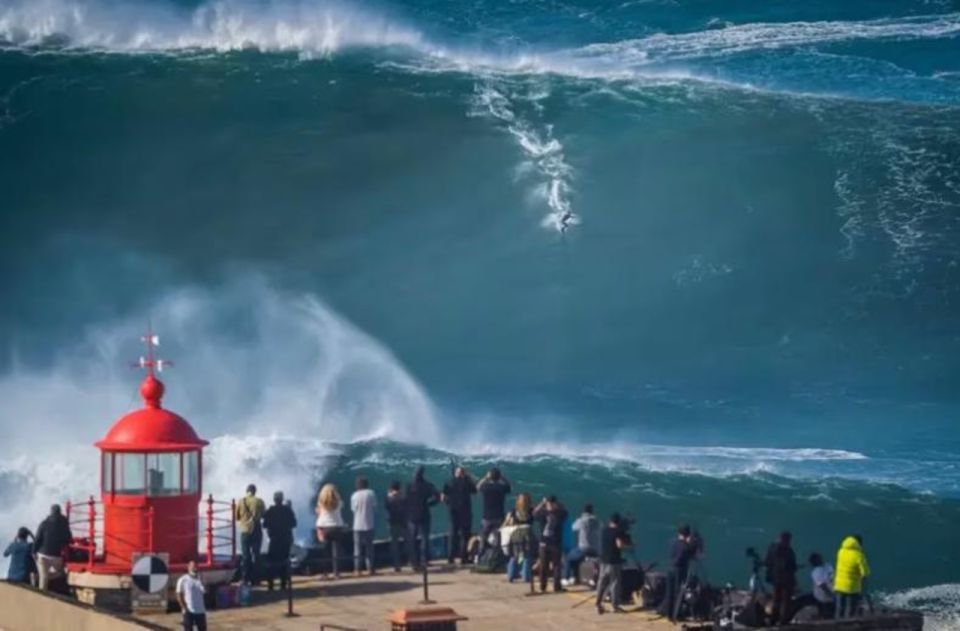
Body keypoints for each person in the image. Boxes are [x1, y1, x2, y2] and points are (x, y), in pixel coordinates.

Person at [659, 524, 697, 620]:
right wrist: (691, 543)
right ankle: (677, 615)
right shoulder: (686, 547)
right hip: (679, 570)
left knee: (669, 592)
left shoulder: (673, 543)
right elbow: (692, 554)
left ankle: (669, 614)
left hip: (670, 569)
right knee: (678, 593)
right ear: (687, 535)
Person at [405, 466, 440, 570]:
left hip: (412, 516)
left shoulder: (409, 486)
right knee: (424, 539)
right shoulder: (427, 485)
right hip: (424, 515)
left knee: (412, 540)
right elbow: (437, 496)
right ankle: (424, 561)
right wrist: (430, 504)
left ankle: (413, 562)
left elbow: (405, 500)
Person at [262, 491, 297, 591]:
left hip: (274, 540)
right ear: (282, 499)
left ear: (274, 500)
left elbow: (264, 525)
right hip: (285, 539)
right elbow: (294, 524)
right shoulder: (287, 510)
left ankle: (271, 585)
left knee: (271, 562)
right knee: (284, 561)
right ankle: (283, 584)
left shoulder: (270, 511)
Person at [442, 466, 477, 565]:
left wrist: (449, 503)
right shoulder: (466, 482)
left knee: (452, 534)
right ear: (463, 473)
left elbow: (443, 497)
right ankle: (463, 558)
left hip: (453, 511)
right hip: (465, 512)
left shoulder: (449, 482)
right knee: (464, 536)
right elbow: (475, 490)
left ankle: (450, 558)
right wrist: (469, 477)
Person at [596, 513, 630, 615]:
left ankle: (598, 603)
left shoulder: (604, 531)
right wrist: (629, 546)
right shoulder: (618, 532)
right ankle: (615, 606)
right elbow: (619, 545)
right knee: (614, 583)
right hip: (614, 561)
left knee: (602, 581)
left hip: (603, 561)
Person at [533, 495, 568, 593]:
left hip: (544, 543)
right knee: (557, 565)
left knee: (544, 566)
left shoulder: (543, 513)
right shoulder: (560, 513)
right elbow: (565, 511)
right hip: (556, 543)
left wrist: (542, 503)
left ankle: (542, 587)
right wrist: (559, 504)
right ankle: (557, 586)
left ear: (547, 503)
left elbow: (534, 513)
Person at [34, 504, 72, 591]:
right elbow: (68, 538)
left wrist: (33, 551)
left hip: (42, 555)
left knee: (43, 578)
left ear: (50, 513)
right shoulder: (63, 524)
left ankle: (41, 595)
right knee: (62, 573)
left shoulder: (43, 523)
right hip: (56, 557)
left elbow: (37, 539)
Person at [765, 531, 798, 625]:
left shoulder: (771, 547)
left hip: (775, 579)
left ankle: (773, 619)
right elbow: (790, 566)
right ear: (787, 539)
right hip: (786, 580)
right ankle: (783, 621)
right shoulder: (788, 550)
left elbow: (767, 562)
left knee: (776, 599)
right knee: (786, 601)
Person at [235, 484, 266, 585]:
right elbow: (264, 515)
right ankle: (256, 579)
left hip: (245, 531)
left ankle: (245, 578)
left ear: (246, 491)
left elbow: (237, 517)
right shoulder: (259, 501)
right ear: (255, 491)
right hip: (256, 529)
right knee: (256, 554)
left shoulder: (241, 501)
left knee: (245, 555)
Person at [834, 535, 870, 619]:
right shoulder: (859, 555)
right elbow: (865, 573)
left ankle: (836, 624)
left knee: (839, 608)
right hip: (852, 587)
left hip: (839, 585)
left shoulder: (840, 552)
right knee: (850, 609)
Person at [315, 483, 346, 580]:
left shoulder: (321, 503)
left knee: (325, 553)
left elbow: (319, 513)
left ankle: (325, 574)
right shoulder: (339, 502)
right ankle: (336, 573)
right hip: (337, 527)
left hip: (325, 527)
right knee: (336, 552)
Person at [477, 467, 511, 554]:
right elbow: (509, 486)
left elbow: (478, 486)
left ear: (490, 477)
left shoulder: (486, 487)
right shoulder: (501, 487)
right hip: (499, 516)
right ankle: (495, 557)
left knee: (483, 538)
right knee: (497, 539)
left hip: (487, 517)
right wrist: (503, 478)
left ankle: (480, 556)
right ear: (498, 477)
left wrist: (485, 477)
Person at [564, 504, 600, 585]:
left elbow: (573, 528)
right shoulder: (597, 520)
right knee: (576, 559)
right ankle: (578, 579)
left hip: (584, 548)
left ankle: (567, 578)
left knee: (569, 557)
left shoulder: (581, 520)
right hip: (595, 549)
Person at [502, 493, 534, 582]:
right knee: (527, 556)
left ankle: (511, 575)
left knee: (514, 555)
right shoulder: (531, 511)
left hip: (516, 535)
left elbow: (506, 522)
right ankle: (526, 576)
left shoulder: (513, 511)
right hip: (527, 535)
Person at [351, 477, 377, 576]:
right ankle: (370, 569)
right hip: (369, 524)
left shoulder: (354, 495)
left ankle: (357, 570)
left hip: (357, 525)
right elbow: (374, 506)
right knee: (369, 548)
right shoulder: (371, 493)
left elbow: (353, 509)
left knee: (357, 548)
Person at [177, 560, 207, 631]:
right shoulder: (183, 580)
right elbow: (179, 595)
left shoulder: (200, 579)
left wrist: (201, 581)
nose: (195, 568)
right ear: (188, 568)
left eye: (196, 567)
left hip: (200, 610)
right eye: (193, 567)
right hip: (189, 611)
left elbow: (205, 591)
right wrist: (184, 608)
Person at [385, 481, 406, 572]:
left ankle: (397, 566)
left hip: (392, 523)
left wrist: (390, 495)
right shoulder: (402, 497)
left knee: (395, 545)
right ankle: (414, 563)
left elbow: (387, 507)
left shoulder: (389, 498)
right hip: (403, 523)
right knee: (409, 543)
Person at [809, 553, 836, 619]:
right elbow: (822, 585)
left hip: (833, 592)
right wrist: (831, 595)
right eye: (818, 558)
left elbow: (833, 575)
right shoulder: (816, 572)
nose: (821, 559)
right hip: (823, 597)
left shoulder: (827, 565)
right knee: (827, 615)